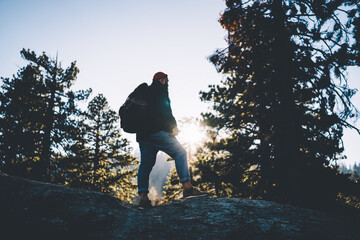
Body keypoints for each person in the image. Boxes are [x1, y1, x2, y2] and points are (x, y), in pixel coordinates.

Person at [136, 71, 208, 209]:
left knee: (145, 165)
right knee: (180, 153)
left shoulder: (145, 93)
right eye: (166, 80)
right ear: (162, 80)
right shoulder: (160, 91)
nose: (167, 83)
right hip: (158, 132)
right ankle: (187, 188)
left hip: (143, 136)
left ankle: (143, 198)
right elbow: (166, 110)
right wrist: (173, 127)